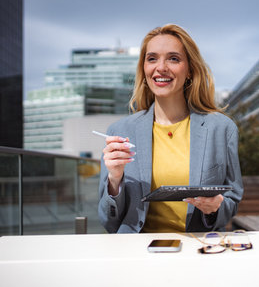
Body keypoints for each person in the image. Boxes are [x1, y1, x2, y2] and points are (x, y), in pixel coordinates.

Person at [98, 24, 243, 233]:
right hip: (137, 251)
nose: (161, 67)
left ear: (190, 70)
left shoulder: (222, 129)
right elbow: (108, 220)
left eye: (173, 58)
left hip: (197, 249)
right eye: (152, 58)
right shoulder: (119, 131)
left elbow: (232, 201)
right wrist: (115, 180)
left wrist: (216, 206)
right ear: (144, 69)